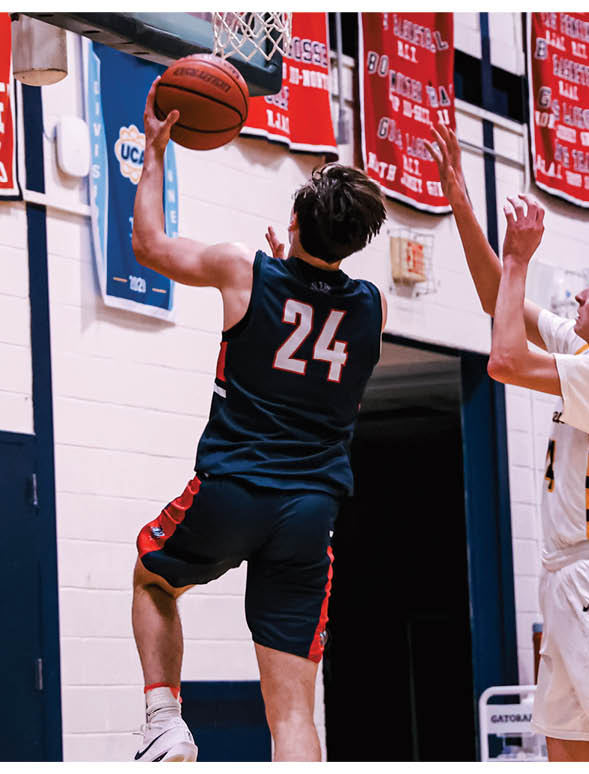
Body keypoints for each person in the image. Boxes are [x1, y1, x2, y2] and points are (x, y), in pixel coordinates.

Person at [127, 79, 388, 762]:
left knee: (153, 576)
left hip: (234, 487)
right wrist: (291, 268)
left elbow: (150, 246)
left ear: (296, 223)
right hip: (309, 512)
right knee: (294, 710)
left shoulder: (245, 271)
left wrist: (154, 154)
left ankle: (165, 723)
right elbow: (313, 325)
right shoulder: (372, 310)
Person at [428, 121, 589, 761]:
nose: (578, 294)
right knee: (567, 753)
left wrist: (521, 257)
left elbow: (504, 360)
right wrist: (460, 200)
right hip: (565, 576)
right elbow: (501, 302)